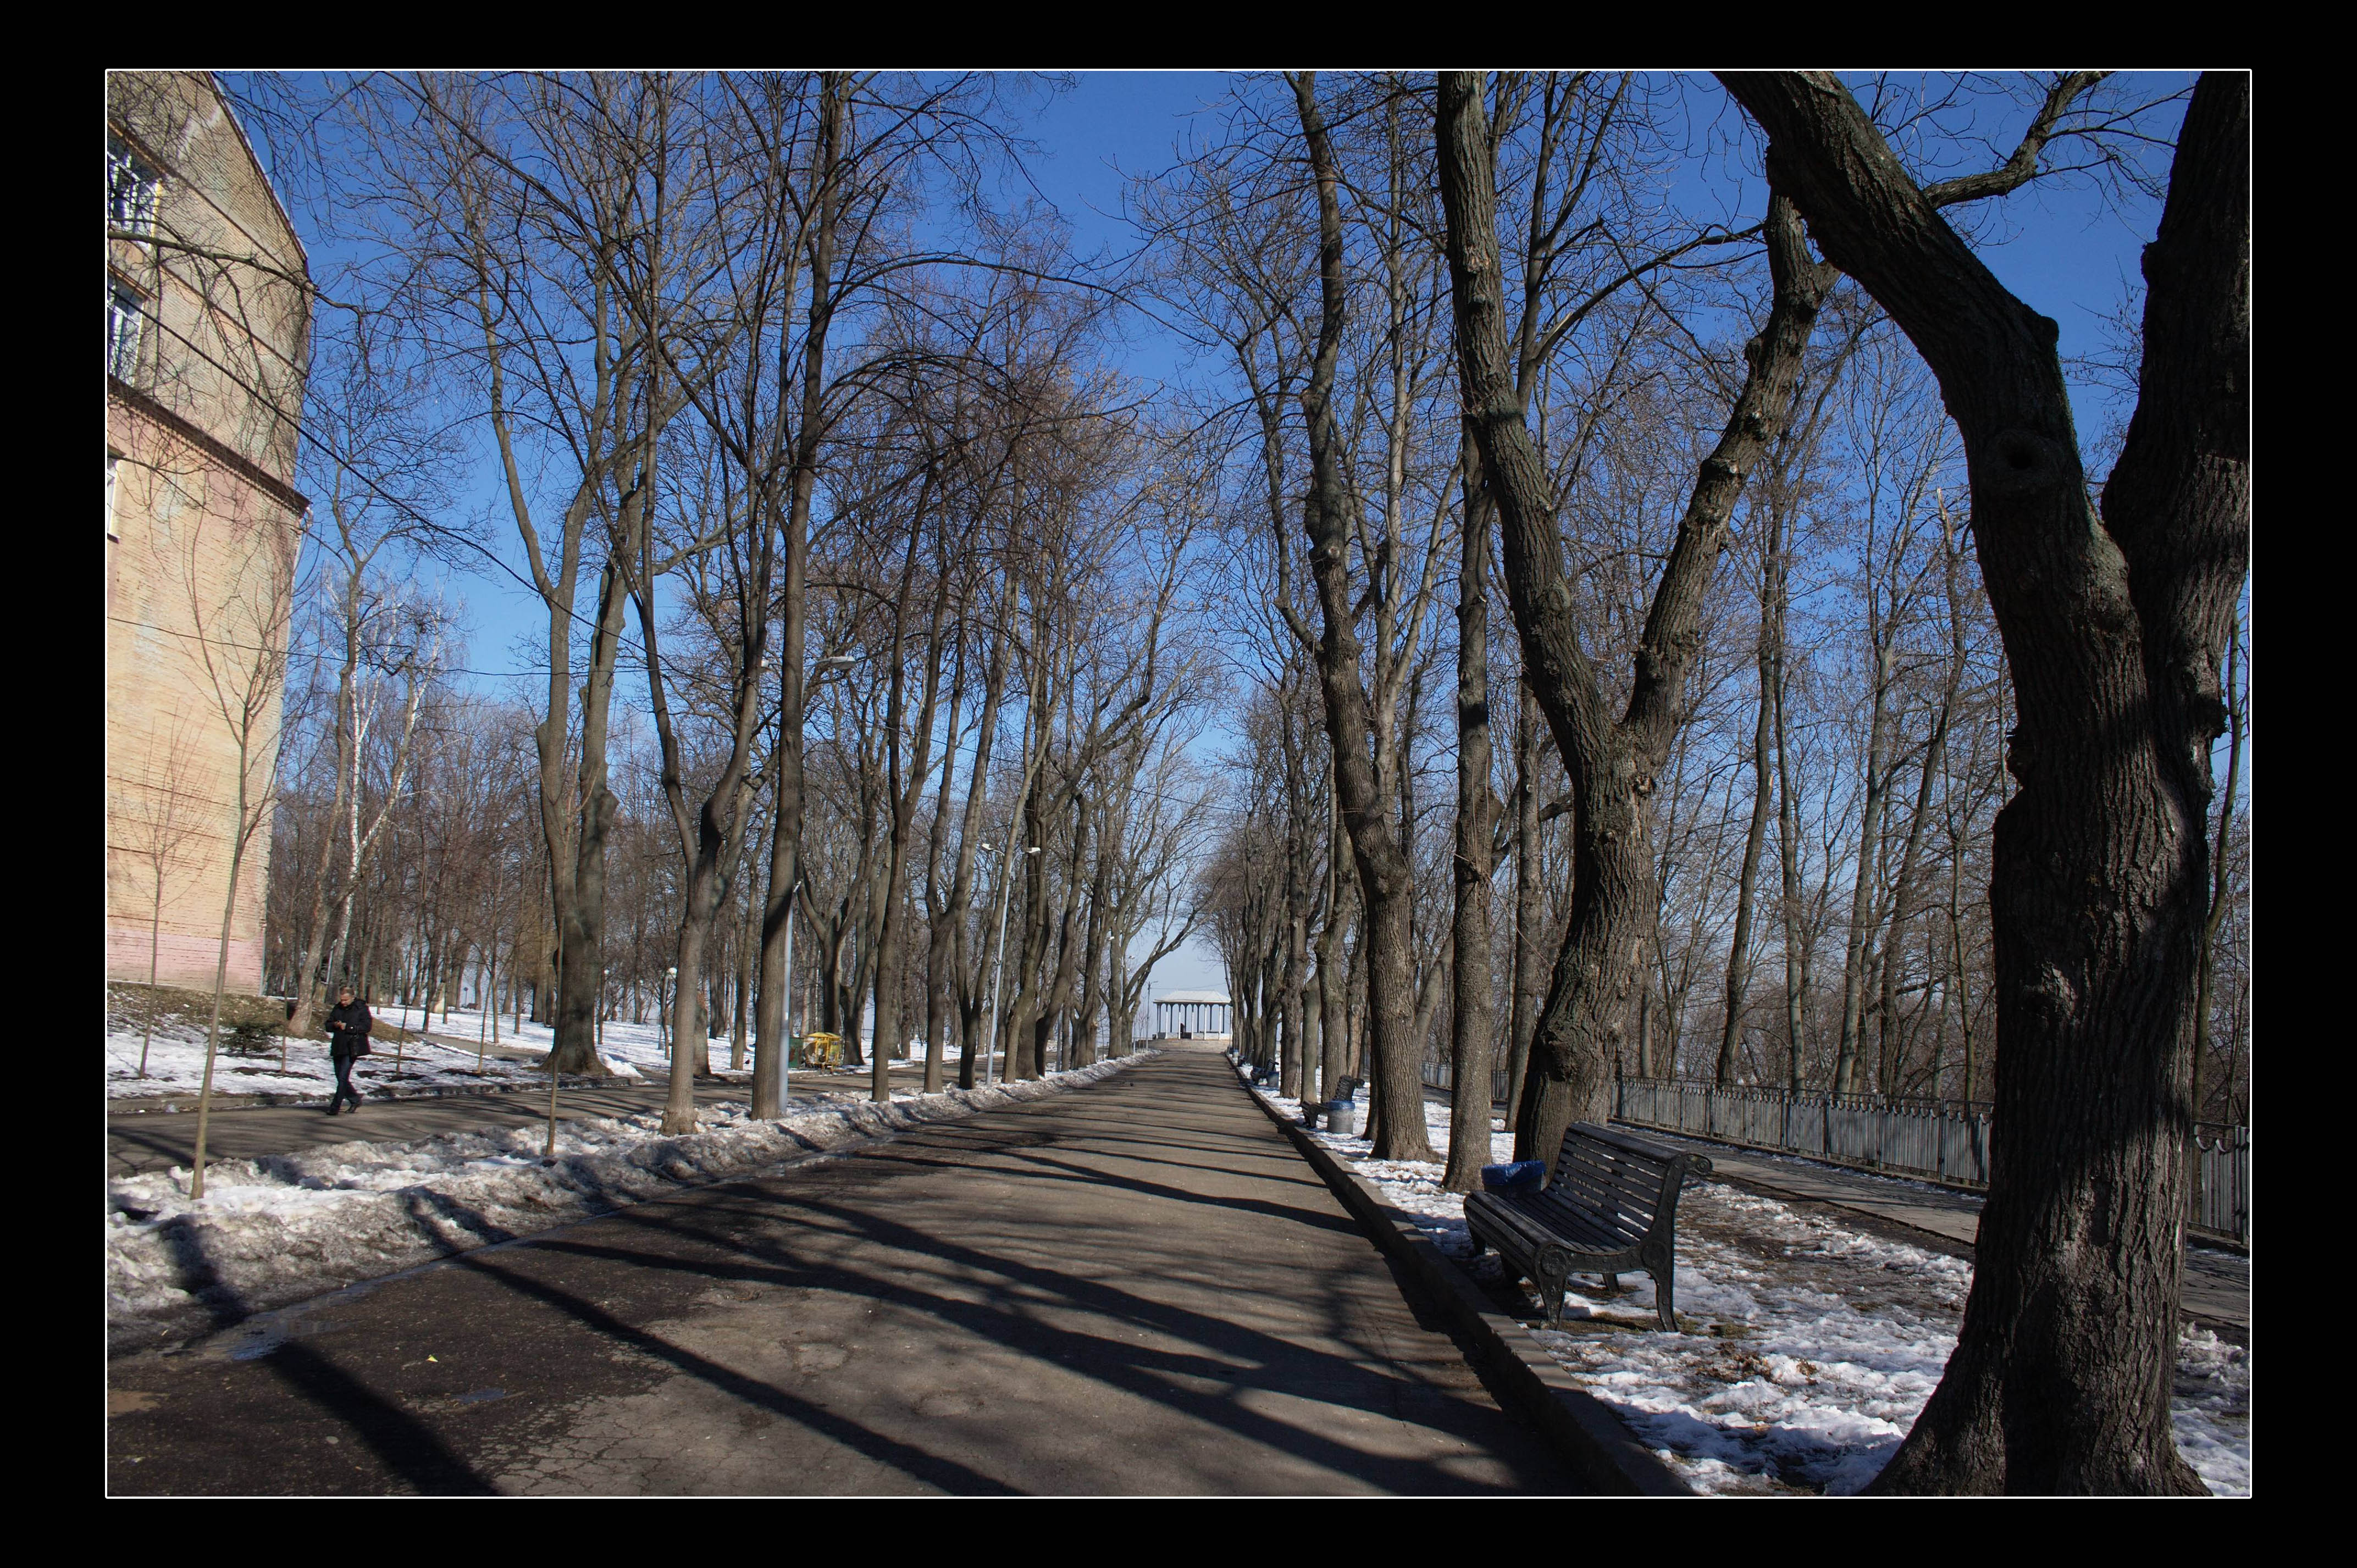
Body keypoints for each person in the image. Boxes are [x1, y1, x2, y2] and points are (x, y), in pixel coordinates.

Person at [324, 987, 372, 1115]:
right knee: (340, 1077)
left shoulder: (361, 1008)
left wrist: (349, 1027)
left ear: (352, 998)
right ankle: (355, 1099)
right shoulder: (338, 1008)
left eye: (346, 1000)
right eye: (341, 1000)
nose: (343, 1002)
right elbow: (328, 1025)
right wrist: (335, 1025)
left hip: (352, 1047)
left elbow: (367, 1027)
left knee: (343, 1076)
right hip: (338, 1045)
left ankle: (335, 1107)